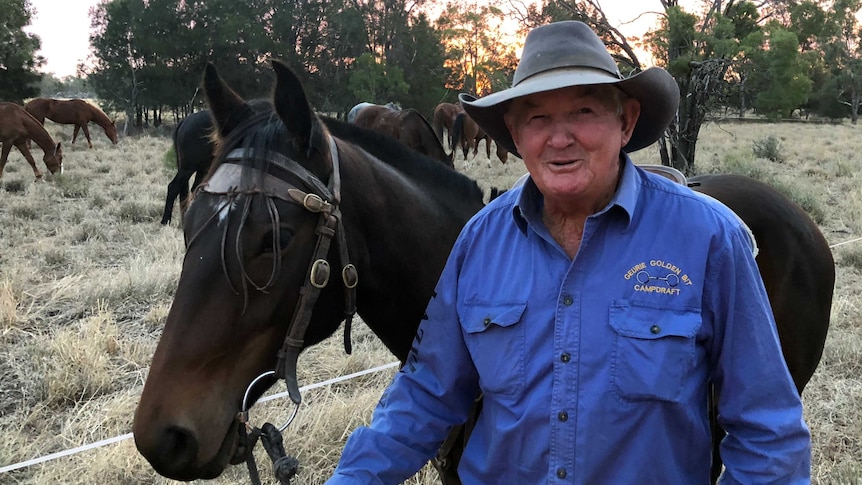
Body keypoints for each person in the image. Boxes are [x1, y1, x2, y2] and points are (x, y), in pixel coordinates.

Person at [326, 20, 810, 484]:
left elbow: (769, 431)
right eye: (537, 117)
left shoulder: (709, 238)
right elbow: (425, 395)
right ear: (515, 136)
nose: (560, 139)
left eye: (584, 112)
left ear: (626, 121)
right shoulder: (479, 242)